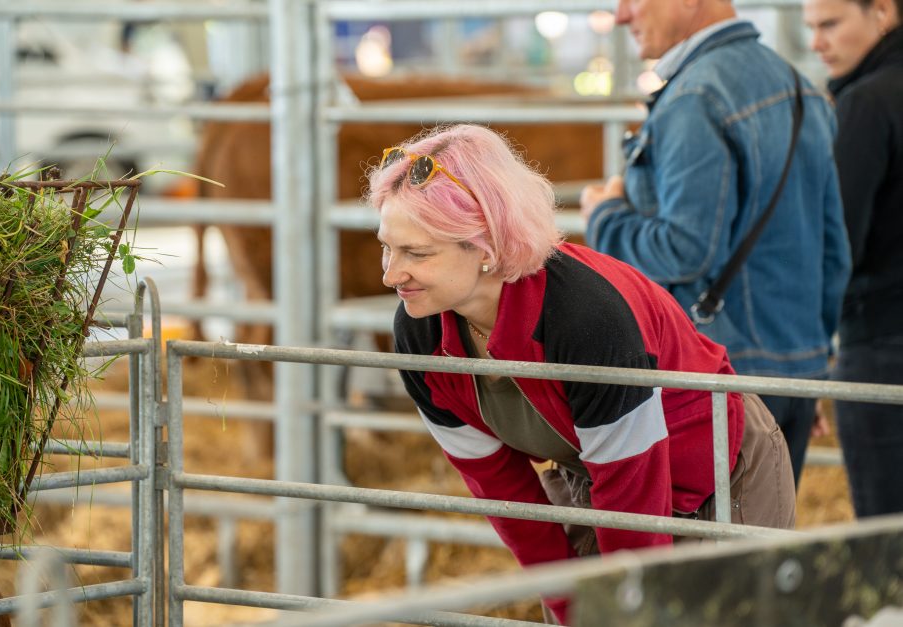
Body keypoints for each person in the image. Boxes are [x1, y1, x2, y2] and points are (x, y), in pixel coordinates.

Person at [369, 124, 795, 625]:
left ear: (484, 248)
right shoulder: (420, 333)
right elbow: (503, 490)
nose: (390, 274)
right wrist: (568, 604)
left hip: (717, 468)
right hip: (595, 477)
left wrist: (620, 611)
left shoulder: (583, 318)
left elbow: (631, 503)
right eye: (387, 247)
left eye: (416, 253)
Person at [580, 0, 851, 487]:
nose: (621, 16)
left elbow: (684, 250)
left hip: (718, 381)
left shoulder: (693, 97)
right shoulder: (799, 87)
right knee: (766, 545)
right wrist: (807, 370)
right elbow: (832, 252)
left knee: (709, 555)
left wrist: (605, 217)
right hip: (793, 370)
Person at [804, 0, 903, 517]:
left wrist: (811, 353)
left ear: (882, 12)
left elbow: (839, 242)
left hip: (882, 342)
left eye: (830, 24)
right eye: (811, 29)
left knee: (887, 533)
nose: (817, 42)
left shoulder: (866, 103)